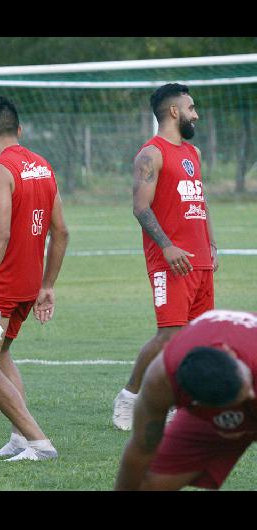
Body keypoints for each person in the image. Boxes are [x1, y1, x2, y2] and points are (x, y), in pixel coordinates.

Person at [0, 96, 69, 461]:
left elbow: (0, 234)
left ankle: (38, 441)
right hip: (28, 282)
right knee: (2, 354)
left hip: (2, 283)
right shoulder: (43, 166)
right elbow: (62, 231)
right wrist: (48, 286)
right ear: (19, 130)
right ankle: (20, 439)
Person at [112, 83, 218, 431]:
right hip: (169, 262)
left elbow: (199, 204)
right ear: (174, 112)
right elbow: (140, 208)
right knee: (170, 335)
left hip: (200, 260)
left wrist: (212, 245)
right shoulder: (151, 154)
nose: (195, 114)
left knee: (197, 338)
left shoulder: (194, 153)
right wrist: (168, 246)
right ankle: (129, 396)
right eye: (191, 107)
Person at [114, 309, 256, 490]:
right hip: (210, 408)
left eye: (247, 385)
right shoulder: (162, 378)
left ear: (230, 353)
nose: (251, 394)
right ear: (192, 401)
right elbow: (142, 448)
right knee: (152, 485)